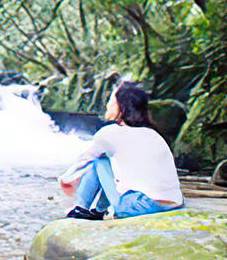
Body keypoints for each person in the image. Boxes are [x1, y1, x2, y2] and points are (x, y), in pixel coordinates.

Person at [59, 80, 183, 220]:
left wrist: (65, 179)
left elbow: (84, 161)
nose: (107, 104)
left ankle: (80, 208)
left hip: (140, 206)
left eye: (111, 100)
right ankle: (100, 210)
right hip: (174, 204)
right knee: (111, 163)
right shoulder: (154, 134)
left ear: (121, 106)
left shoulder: (109, 133)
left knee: (100, 161)